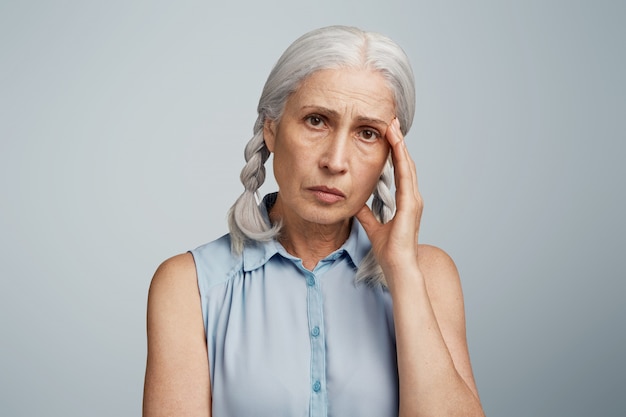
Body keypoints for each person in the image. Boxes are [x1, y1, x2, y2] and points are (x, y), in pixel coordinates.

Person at [142, 25, 485, 417]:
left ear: (391, 154)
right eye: (316, 121)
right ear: (271, 128)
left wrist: (403, 274)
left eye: (367, 133)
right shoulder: (189, 286)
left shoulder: (429, 276)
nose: (335, 161)